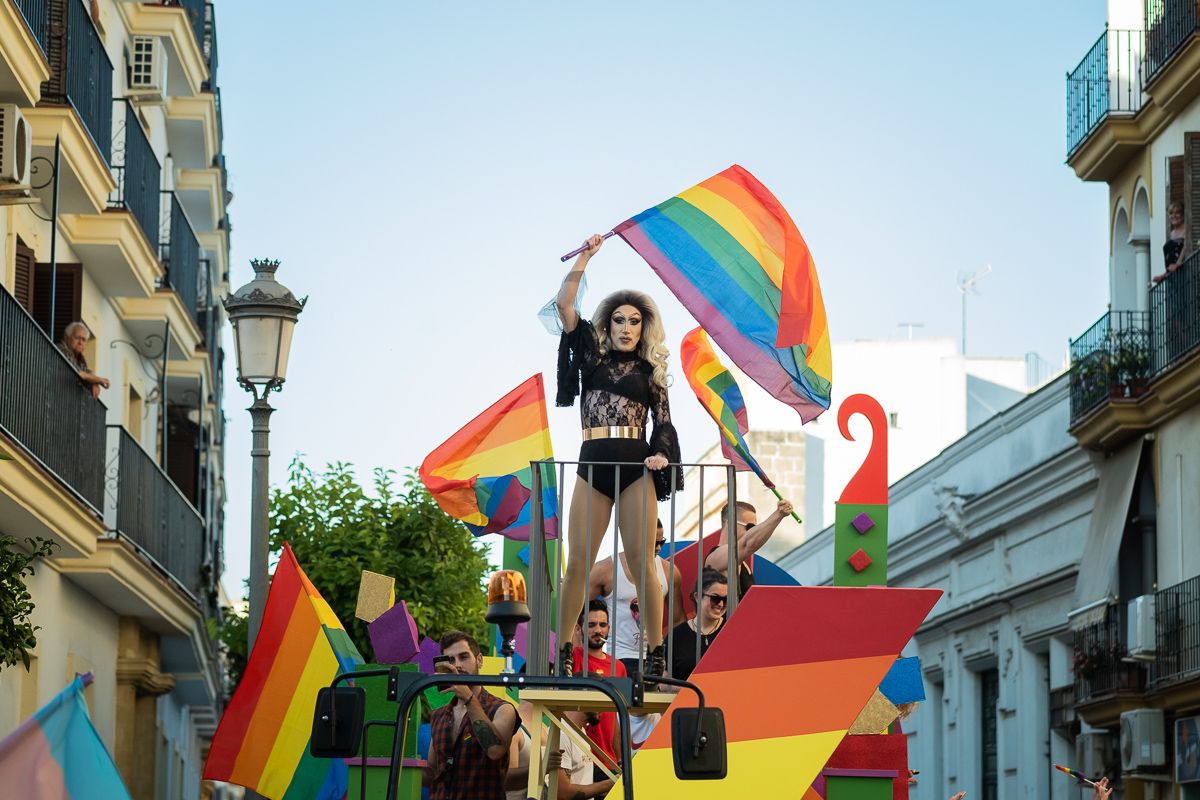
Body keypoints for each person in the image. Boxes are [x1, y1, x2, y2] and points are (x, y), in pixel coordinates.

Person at [554, 233, 682, 678]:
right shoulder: (590, 359)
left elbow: (663, 423)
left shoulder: (652, 374)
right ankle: (565, 652)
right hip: (593, 464)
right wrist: (586, 257)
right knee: (577, 565)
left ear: (644, 328)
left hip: (635, 468)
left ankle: (655, 652)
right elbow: (565, 307)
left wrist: (662, 455)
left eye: (635, 322)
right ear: (608, 326)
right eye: (620, 321)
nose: (627, 328)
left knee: (644, 562)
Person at [424, 631, 519, 800]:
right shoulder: (438, 715)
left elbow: (495, 750)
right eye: (451, 660)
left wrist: (468, 698)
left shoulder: (502, 709)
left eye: (464, 657)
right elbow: (432, 771)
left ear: (480, 660)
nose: (458, 665)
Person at [589, 519, 687, 676]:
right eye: (653, 542)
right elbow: (577, 613)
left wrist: (670, 658)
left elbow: (677, 621)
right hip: (620, 657)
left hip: (654, 657)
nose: (658, 548)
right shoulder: (606, 569)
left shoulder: (669, 572)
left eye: (662, 542)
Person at [572, 599, 626, 768]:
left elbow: (616, 717)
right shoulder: (571, 659)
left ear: (608, 628)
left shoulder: (618, 667)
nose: (598, 630)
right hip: (576, 759)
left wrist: (620, 759)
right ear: (579, 629)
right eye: (591, 625)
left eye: (603, 625)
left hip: (608, 762)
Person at [703, 500, 793, 600]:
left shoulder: (744, 564)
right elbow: (747, 544)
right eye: (750, 527)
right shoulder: (714, 558)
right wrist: (778, 514)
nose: (752, 532)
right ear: (730, 523)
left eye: (754, 529)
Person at [668, 569, 727, 680]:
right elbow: (662, 683)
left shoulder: (732, 632)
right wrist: (696, 690)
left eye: (725, 599)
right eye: (715, 598)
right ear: (697, 596)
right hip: (686, 697)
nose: (721, 604)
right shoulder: (676, 636)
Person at [58, 321, 110, 399]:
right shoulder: (61, 349)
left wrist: (94, 383)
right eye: (77, 338)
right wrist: (99, 380)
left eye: (83, 340)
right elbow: (78, 372)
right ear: (67, 338)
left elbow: (86, 374)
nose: (80, 342)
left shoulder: (80, 359)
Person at [1153, 201, 1186, 285]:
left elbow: (1186, 246)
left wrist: (1178, 264)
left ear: (1182, 215)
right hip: (1172, 279)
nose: (1174, 216)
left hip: (1185, 275)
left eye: (1177, 213)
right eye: (1171, 213)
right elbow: (1171, 263)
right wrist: (1163, 276)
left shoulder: (1186, 230)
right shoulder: (1171, 234)